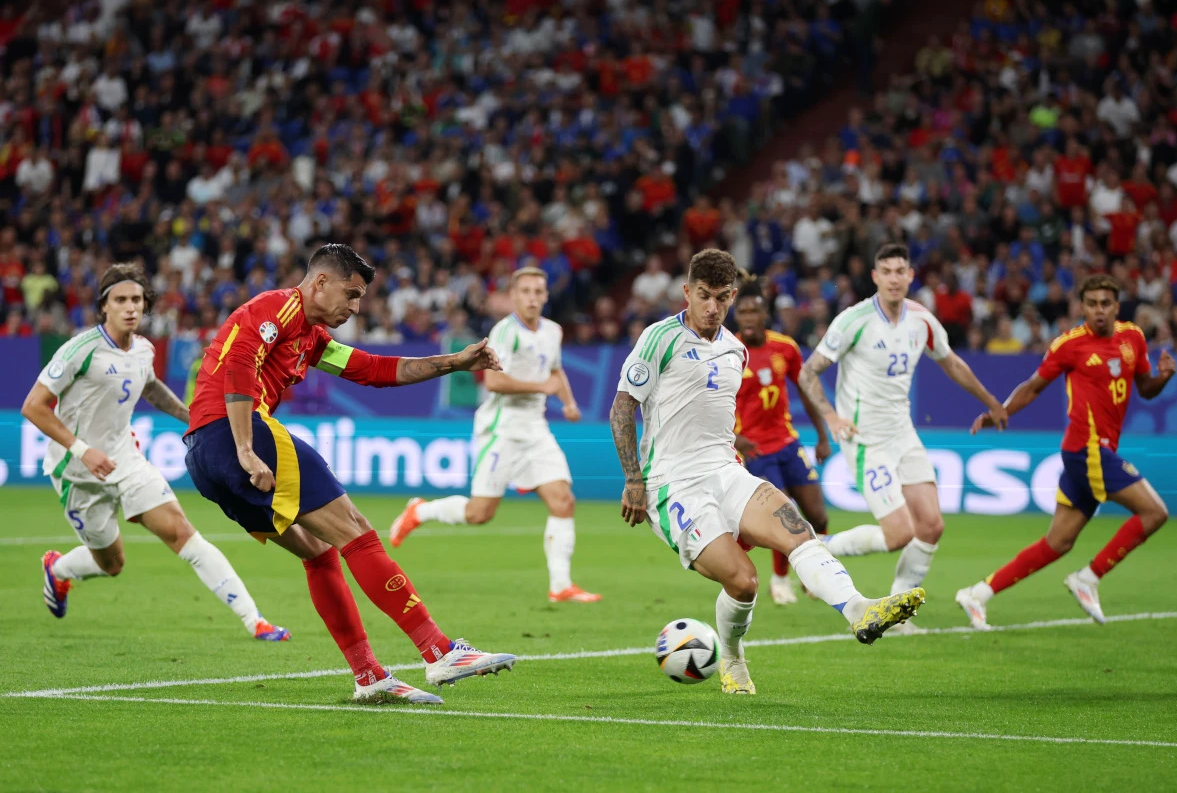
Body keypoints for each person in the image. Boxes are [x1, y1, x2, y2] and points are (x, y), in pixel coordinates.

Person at [183, 244, 516, 705]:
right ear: (320, 282)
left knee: (320, 552)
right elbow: (241, 363)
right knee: (356, 529)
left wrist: (453, 363)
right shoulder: (278, 307)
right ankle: (439, 651)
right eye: (351, 294)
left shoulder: (312, 337)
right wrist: (245, 448)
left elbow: (373, 370)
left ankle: (369, 675)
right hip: (235, 434)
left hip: (202, 457)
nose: (355, 307)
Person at [610, 248, 924, 696]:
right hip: (672, 485)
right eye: (703, 296)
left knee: (799, 530)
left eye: (721, 297)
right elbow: (622, 409)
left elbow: (709, 414)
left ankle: (859, 610)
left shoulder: (734, 349)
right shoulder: (659, 339)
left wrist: (735, 445)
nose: (712, 307)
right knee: (743, 581)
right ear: (687, 292)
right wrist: (634, 479)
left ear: (733, 296)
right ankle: (733, 659)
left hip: (726, 471)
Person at [24, 263, 288, 641]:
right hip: (76, 470)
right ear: (104, 306)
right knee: (112, 564)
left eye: (136, 300)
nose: (130, 307)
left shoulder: (144, 350)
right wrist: (83, 451)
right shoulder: (80, 350)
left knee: (182, 532)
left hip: (126, 461)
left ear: (145, 305)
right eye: (120, 300)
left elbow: (150, 387)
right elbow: (33, 406)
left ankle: (256, 621)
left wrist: (192, 416)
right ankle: (59, 569)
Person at [798, 243, 1008, 632]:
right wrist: (831, 416)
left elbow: (952, 362)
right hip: (865, 439)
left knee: (931, 526)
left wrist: (991, 401)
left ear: (911, 276)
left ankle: (896, 614)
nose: (894, 278)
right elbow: (808, 372)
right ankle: (819, 549)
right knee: (899, 534)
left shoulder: (921, 320)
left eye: (901, 271)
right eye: (887, 271)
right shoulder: (853, 320)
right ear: (876, 277)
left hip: (903, 434)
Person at [956, 275, 1175, 629]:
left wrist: (1163, 376)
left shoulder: (1133, 337)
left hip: (1090, 454)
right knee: (1155, 512)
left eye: (1105, 303)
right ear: (1082, 307)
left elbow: (1146, 388)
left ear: (1116, 307)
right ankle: (1089, 577)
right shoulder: (1069, 345)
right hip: (1086, 451)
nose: (1098, 310)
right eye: (1091, 304)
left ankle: (977, 594)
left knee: (1057, 542)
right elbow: (1033, 386)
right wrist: (1002, 411)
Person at [389, 268, 600, 603]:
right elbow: (493, 382)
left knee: (563, 501)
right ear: (514, 297)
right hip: (501, 428)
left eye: (538, 291)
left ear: (546, 296)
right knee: (479, 513)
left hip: (535, 428)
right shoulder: (505, 332)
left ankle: (561, 585)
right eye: (526, 291)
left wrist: (569, 402)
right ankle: (420, 511)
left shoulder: (553, 332)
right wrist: (541, 387)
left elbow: (556, 369)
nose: (532, 297)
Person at [732, 276, 844, 605]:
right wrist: (734, 438)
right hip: (755, 451)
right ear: (737, 315)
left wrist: (822, 436)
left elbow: (806, 392)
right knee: (786, 514)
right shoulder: (729, 352)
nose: (749, 318)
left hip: (788, 443)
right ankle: (780, 579)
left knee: (818, 516)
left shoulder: (785, 348)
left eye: (754, 311)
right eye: (743, 312)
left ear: (765, 314)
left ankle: (816, 574)